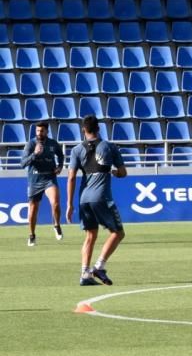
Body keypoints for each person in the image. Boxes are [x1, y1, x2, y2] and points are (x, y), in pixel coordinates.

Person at [65, 115, 126, 286]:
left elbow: (71, 178)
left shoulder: (76, 150)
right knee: (118, 233)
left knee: (90, 235)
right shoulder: (109, 147)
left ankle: (85, 274)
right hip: (101, 197)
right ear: (98, 129)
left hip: (84, 199)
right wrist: (114, 173)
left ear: (83, 130)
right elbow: (123, 172)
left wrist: (69, 204)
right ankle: (99, 266)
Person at [20, 121, 64, 247]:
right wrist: (35, 154)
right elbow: (22, 163)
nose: (39, 133)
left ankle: (56, 225)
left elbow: (61, 155)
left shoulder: (53, 144)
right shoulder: (31, 144)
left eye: (42, 131)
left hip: (49, 178)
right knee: (33, 209)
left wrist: (60, 166)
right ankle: (32, 235)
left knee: (55, 202)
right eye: (37, 131)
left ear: (47, 131)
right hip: (35, 180)